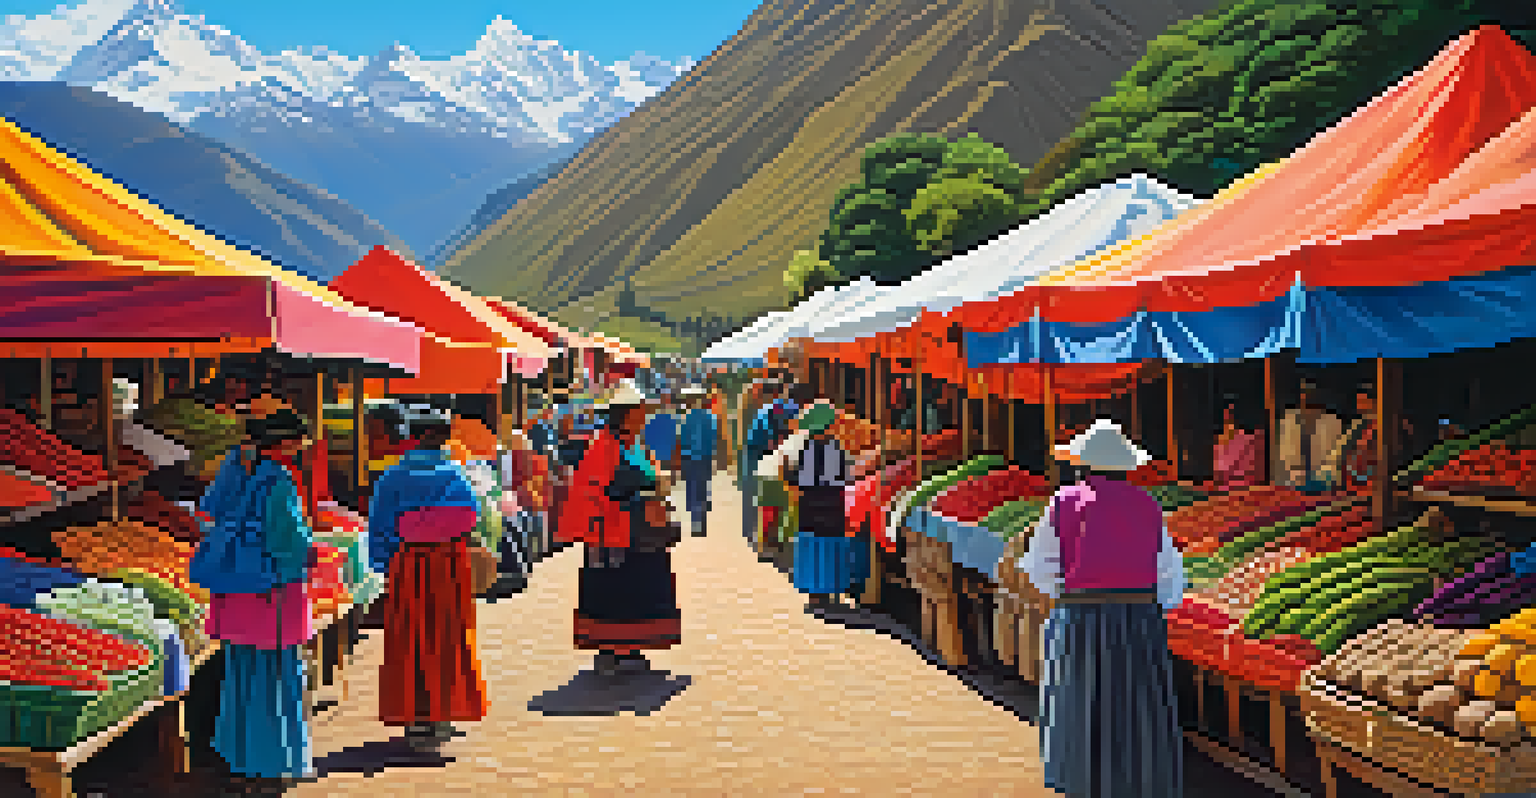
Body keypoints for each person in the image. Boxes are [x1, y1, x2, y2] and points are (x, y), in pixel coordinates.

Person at [1019, 419, 1184, 798]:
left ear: (1083, 466)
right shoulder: (1149, 505)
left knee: (1079, 698)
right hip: (1139, 616)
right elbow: (1170, 574)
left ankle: (1081, 781)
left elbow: (1040, 567)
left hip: (1081, 616)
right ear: (1126, 467)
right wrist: (1150, 609)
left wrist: (1070, 593)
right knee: (1137, 702)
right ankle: (1138, 780)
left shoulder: (1064, 502)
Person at [190, 409, 316, 793]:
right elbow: (287, 542)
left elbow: (207, 514)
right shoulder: (279, 481)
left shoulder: (234, 470)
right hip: (268, 592)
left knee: (241, 677)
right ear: (286, 444)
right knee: (274, 678)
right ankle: (268, 764)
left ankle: (239, 759)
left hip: (233, 590)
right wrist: (309, 555)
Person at [367, 405, 488, 749]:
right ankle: (442, 712)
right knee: (448, 634)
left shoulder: (392, 477)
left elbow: (380, 529)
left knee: (409, 636)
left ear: (411, 437)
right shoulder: (455, 475)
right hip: (449, 564)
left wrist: (385, 565)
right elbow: (470, 518)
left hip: (407, 564)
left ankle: (414, 716)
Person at [558, 379, 683, 676]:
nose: (644, 417)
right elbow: (596, 492)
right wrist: (638, 495)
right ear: (625, 415)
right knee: (612, 592)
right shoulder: (602, 447)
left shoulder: (634, 446)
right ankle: (609, 652)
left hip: (638, 533)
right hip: (611, 536)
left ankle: (631, 647)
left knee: (638, 589)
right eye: (639, 412)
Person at [786, 402, 861, 611]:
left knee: (813, 546)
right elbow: (845, 476)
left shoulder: (806, 448)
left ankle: (815, 593)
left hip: (810, 506)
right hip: (832, 506)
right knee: (829, 546)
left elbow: (798, 478)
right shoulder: (837, 448)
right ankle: (829, 589)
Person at [1274, 378, 1343, 492]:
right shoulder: (1288, 420)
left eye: (1311, 392)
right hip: (1291, 482)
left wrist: (1323, 479)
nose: (1307, 397)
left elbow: (1335, 456)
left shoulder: (1333, 422)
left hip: (1324, 481)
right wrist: (1294, 476)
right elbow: (1284, 455)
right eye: (1304, 392)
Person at [678, 386, 718, 536]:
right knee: (702, 489)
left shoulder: (685, 418)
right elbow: (714, 439)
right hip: (705, 459)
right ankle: (701, 520)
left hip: (690, 459)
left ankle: (696, 522)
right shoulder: (709, 417)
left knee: (692, 491)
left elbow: (681, 440)